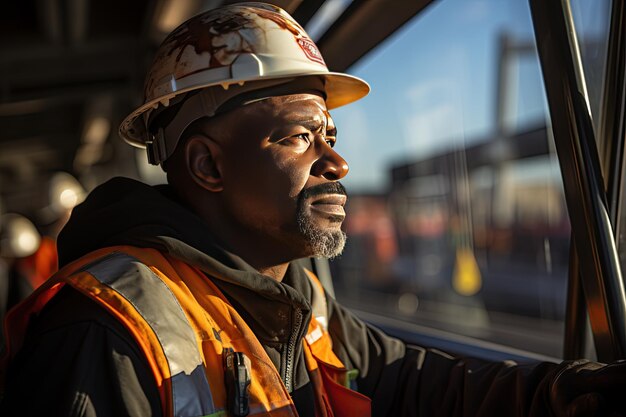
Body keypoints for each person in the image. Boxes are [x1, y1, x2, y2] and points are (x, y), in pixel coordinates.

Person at [1, 3, 625, 417]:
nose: (338, 164)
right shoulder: (105, 334)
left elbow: (408, 379)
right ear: (207, 166)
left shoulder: (295, 300)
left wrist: (571, 394)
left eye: (331, 136)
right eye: (299, 137)